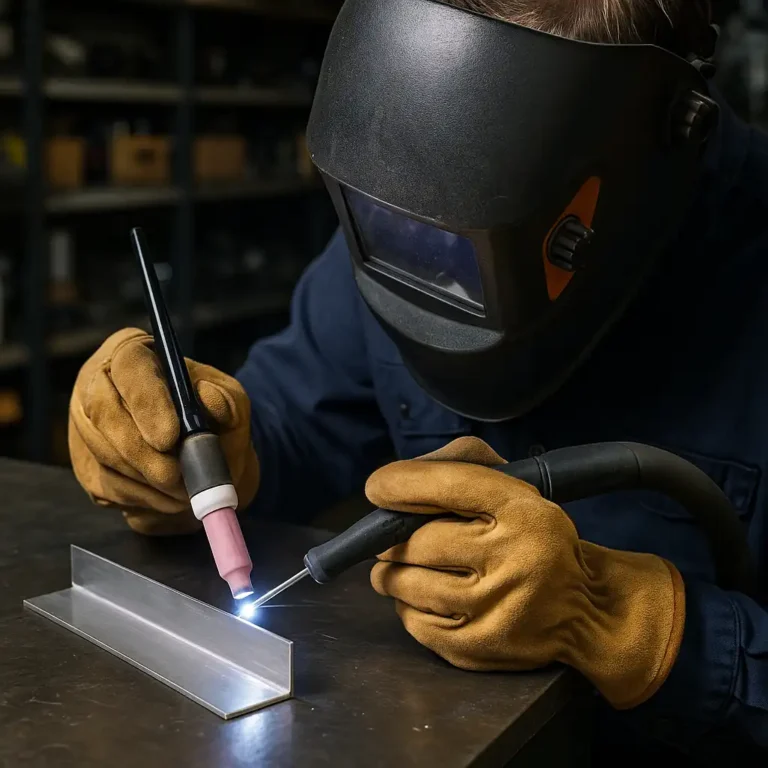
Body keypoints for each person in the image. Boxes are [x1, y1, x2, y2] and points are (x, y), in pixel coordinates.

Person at [68, 0, 768, 762]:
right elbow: (297, 414)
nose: (429, 253)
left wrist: (636, 624)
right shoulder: (407, 198)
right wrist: (199, 447)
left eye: (477, 246)